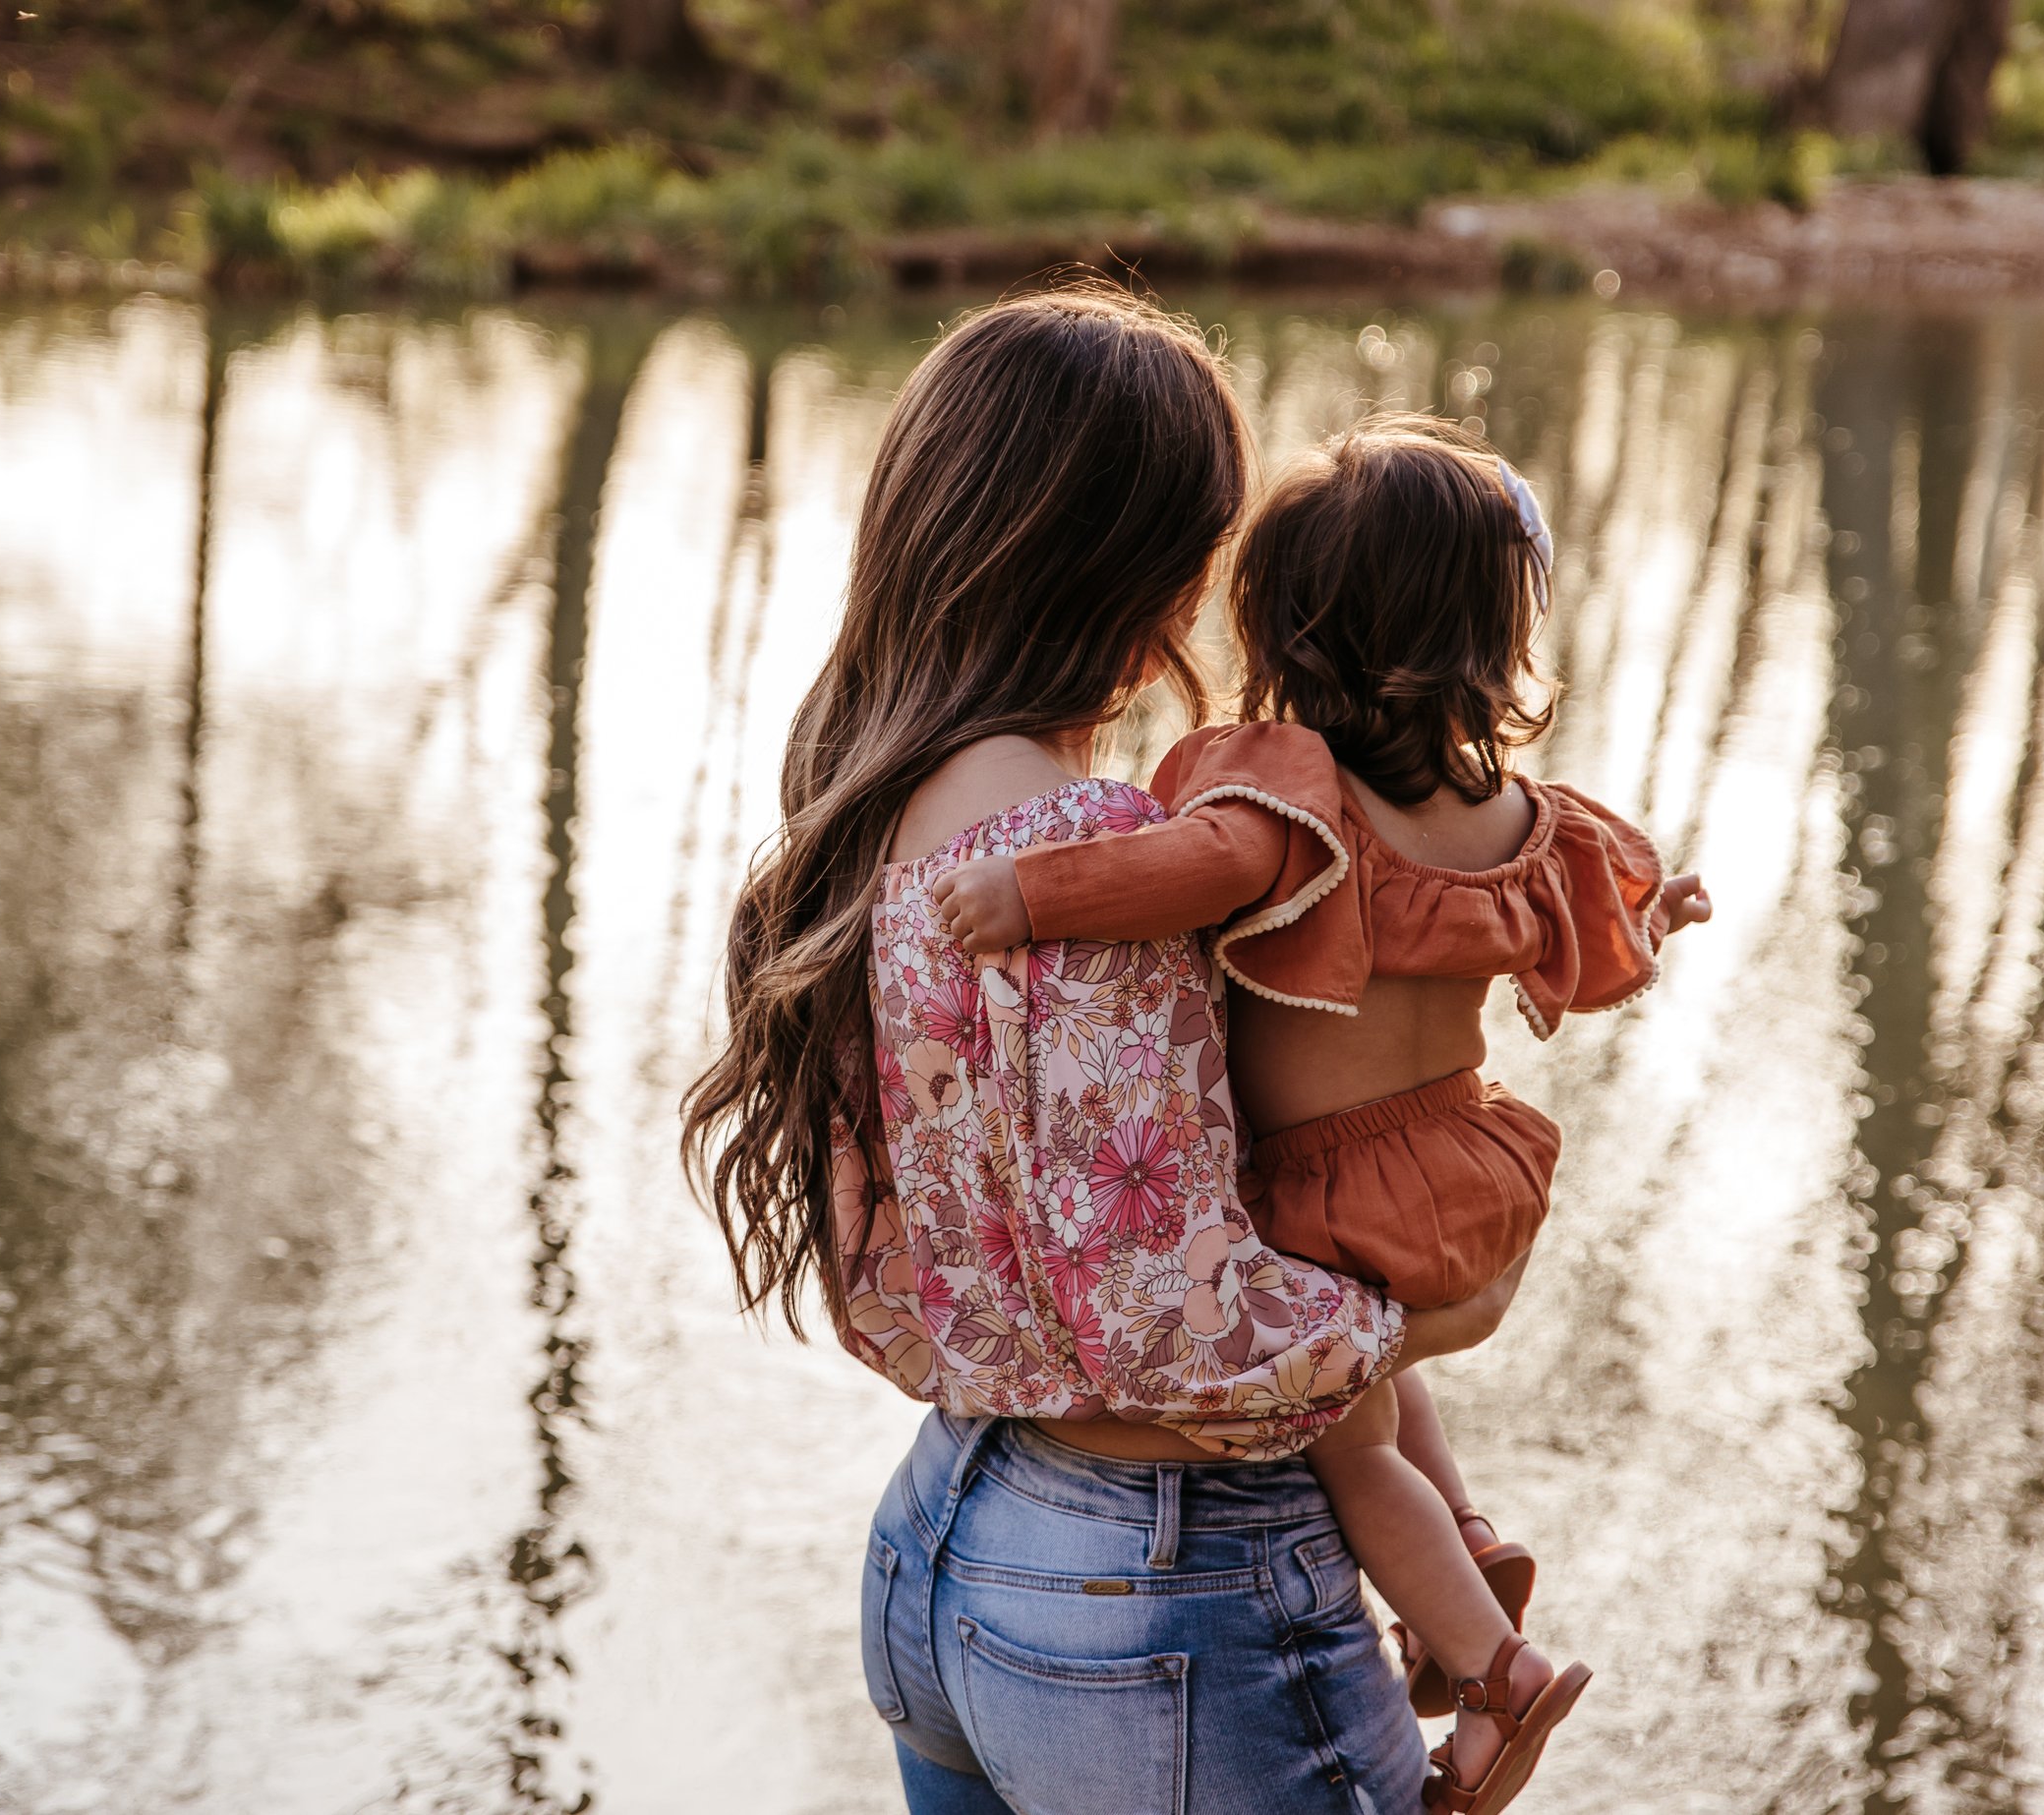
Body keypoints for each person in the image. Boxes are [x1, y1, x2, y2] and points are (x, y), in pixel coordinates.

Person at [682, 294, 1526, 1814]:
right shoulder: (1076, 851)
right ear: (1136, 561)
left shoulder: (858, 815)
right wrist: (1411, 1314)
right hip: (1155, 1594)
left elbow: (897, 1284)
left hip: (949, 1534)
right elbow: (1164, 1315)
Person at [931, 416, 1714, 1813]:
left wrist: (1029, 895)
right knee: (1379, 1362)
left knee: (1345, 1440)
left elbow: (1193, 865)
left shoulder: (1288, 785)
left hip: (1329, 1190)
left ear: (1286, 625)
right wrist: (1667, 905)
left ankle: (1488, 1667)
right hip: (1471, 1157)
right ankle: (1468, 1536)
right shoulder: (1519, 814)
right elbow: (1601, 925)